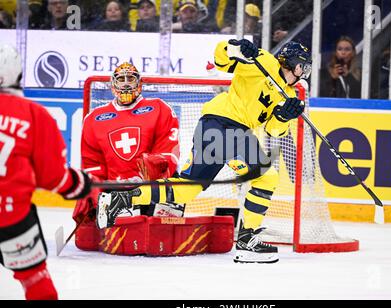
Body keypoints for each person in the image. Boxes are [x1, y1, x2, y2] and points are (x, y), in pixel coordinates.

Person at [97, 39, 312, 264]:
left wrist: (284, 116)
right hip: (227, 125)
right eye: (302, 66)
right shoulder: (264, 61)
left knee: (187, 188)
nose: (303, 72)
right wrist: (235, 47)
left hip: (217, 129)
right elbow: (221, 60)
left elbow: (274, 131)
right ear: (292, 62)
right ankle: (247, 241)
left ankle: (120, 200)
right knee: (267, 177)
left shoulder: (289, 94)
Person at [0, 44, 91, 300]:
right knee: (35, 280)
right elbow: (53, 177)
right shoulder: (33, 114)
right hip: (11, 216)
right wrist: (77, 184)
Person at [72, 62, 181, 249]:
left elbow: (168, 151)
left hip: (150, 188)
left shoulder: (159, 108)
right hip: (115, 192)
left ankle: (163, 221)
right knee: (103, 240)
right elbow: (92, 164)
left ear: (139, 83)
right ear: (113, 85)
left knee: (173, 186)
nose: (125, 84)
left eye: (130, 78)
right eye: (120, 79)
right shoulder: (94, 118)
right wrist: (93, 190)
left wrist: (152, 169)